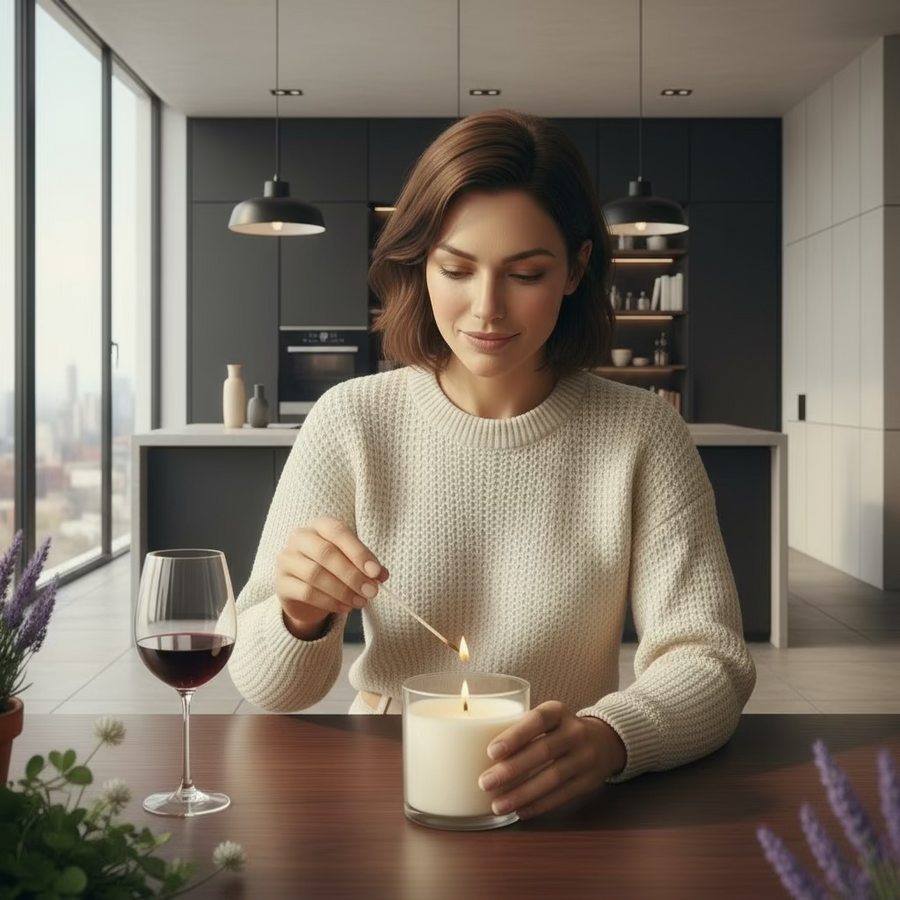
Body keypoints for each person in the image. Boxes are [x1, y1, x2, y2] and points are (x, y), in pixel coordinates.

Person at [229, 109, 756, 821]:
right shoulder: (351, 421)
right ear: (420, 262)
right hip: (386, 785)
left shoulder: (644, 435)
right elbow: (268, 689)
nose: (486, 309)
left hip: (569, 794)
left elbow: (712, 660)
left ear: (575, 269)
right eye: (456, 268)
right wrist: (298, 615)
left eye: (526, 273)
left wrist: (610, 739)